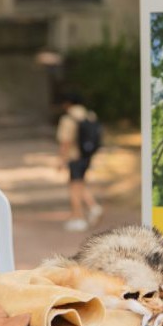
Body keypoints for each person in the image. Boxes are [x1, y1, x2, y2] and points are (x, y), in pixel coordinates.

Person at [57, 92, 103, 232]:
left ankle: (78, 217)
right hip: (87, 155)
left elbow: (66, 141)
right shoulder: (89, 115)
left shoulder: (68, 118)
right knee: (80, 183)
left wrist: (62, 159)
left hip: (75, 156)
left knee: (74, 188)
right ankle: (93, 207)